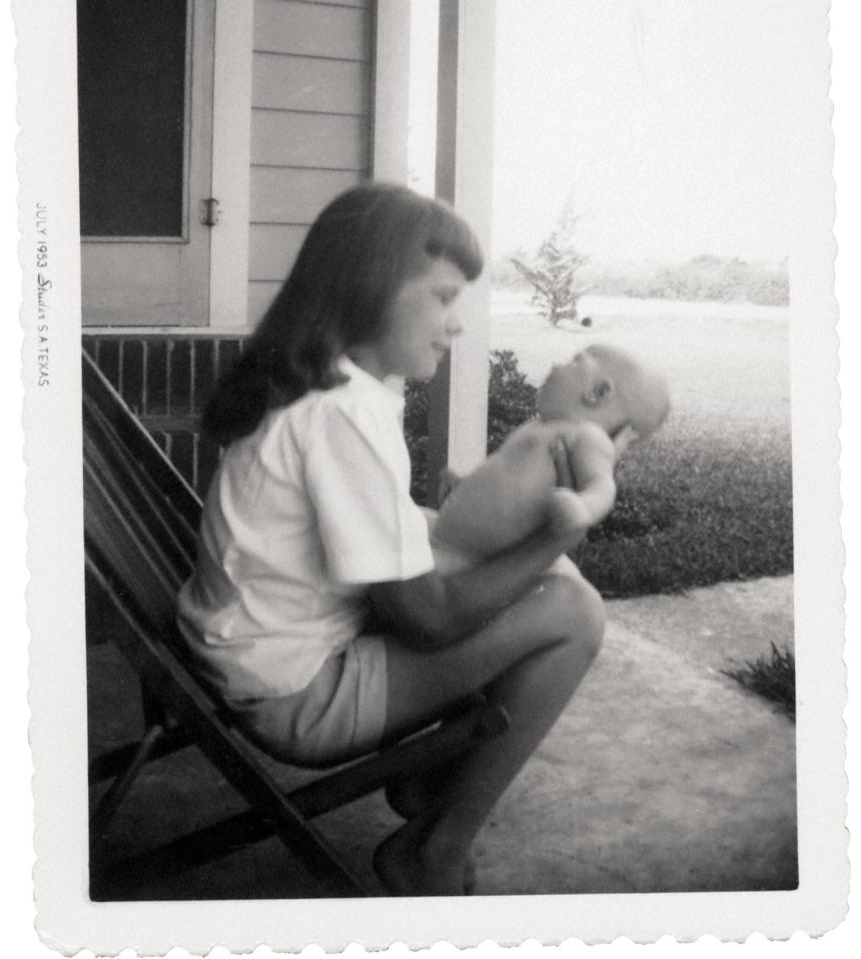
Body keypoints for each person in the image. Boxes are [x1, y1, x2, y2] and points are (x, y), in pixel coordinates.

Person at [177, 182, 619, 896]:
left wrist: (457, 526)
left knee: (473, 562)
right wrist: (551, 536)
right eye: (444, 298)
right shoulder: (345, 411)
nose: (457, 324)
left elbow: (366, 534)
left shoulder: (313, 384)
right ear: (372, 286)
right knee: (572, 609)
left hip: (253, 651)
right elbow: (429, 617)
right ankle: (434, 845)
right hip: (297, 693)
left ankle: (430, 780)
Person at [431, 345, 669, 572]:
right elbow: (507, 477)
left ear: (598, 392)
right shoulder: (540, 427)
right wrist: (466, 487)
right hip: (461, 547)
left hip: (481, 560)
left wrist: (582, 507)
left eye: (574, 361)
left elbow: (602, 484)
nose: (557, 365)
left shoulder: (588, 436)